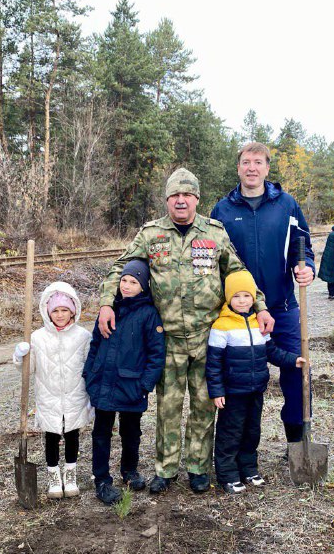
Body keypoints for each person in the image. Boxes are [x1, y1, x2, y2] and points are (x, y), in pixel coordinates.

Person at [97, 168, 272, 495]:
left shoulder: (215, 233)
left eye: (187, 195)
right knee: (168, 407)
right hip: (168, 340)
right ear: (167, 200)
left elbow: (238, 273)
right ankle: (165, 469)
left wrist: (260, 306)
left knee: (205, 406)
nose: (180, 201)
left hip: (207, 338)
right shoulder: (150, 234)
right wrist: (108, 302)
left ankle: (197, 468)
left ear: (196, 199)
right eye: (174, 196)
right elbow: (121, 267)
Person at [210, 142, 315, 448]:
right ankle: (236, 450)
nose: (252, 167)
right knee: (236, 380)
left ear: (267, 168)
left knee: (297, 372)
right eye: (246, 162)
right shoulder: (223, 209)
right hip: (238, 313)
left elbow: (303, 244)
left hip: (282, 307)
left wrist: (306, 266)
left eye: (258, 162)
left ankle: (298, 443)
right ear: (238, 167)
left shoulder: (286, 204)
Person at [206, 271, 304, 494]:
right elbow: (213, 364)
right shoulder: (221, 326)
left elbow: (271, 351)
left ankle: (249, 469)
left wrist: (292, 360)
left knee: (252, 432)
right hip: (233, 392)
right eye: (237, 296)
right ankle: (228, 475)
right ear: (228, 298)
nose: (242, 301)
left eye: (247, 296)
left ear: (254, 298)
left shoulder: (259, 323)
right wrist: (217, 391)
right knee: (230, 433)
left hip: (256, 389)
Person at [83, 260, 166, 505]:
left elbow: (156, 354)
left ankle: (129, 471)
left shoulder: (149, 314)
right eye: (124, 281)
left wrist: (144, 385)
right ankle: (101, 479)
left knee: (131, 432)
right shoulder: (108, 310)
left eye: (134, 282)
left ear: (143, 287)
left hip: (131, 386)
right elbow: (95, 344)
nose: (127, 286)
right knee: (101, 433)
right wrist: (90, 373)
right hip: (104, 383)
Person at [13, 281, 92, 499]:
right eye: (55, 310)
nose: (59, 314)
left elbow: (90, 366)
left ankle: (70, 475)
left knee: (72, 434)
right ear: (47, 311)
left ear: (73, 310)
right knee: (51, 436)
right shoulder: (37, 338)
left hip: (75, 394)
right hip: (48, 395)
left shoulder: (83, 336)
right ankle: (54, 478)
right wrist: (21, 356)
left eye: (64, 310)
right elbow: (28, 370)